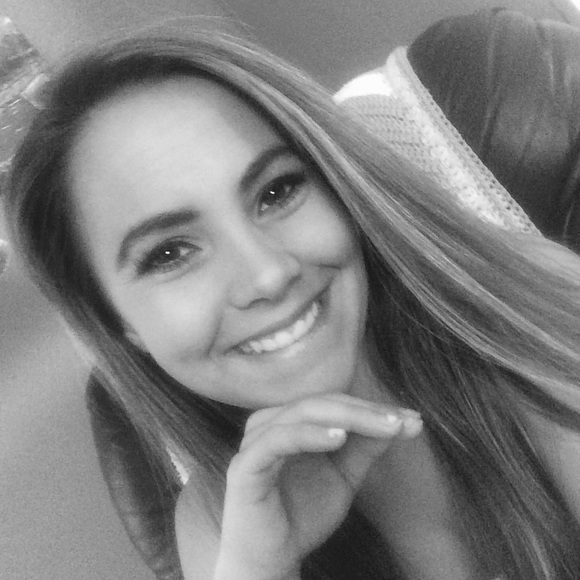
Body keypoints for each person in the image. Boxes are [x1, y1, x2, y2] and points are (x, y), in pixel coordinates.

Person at [4, 11, 580, 580]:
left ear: (339, 185)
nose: (267, 275)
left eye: (277, 192)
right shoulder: (219, 524)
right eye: (170, 254)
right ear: (120, 323)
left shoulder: (523, 310)